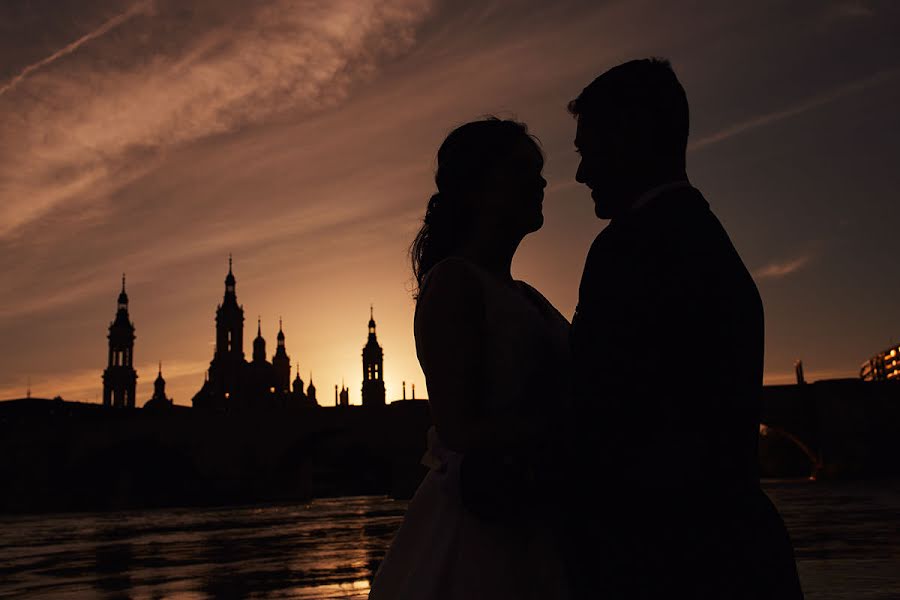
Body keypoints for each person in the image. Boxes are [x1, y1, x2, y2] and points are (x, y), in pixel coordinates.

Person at [565, 58, 804, 598]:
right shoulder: (706, 240)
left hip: (664, 561)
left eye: (587, 151)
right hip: (738, 557)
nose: (581, 174)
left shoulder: (626, 249)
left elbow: (598, 415)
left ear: (630, 138)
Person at [368, 118, 571, 600]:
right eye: (524, 169)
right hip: (487, 524)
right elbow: (458, 428)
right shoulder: (455, 283)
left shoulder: (524, 295)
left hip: (531, 510)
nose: (541, 182)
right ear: (481, 185)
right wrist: (568, 429)